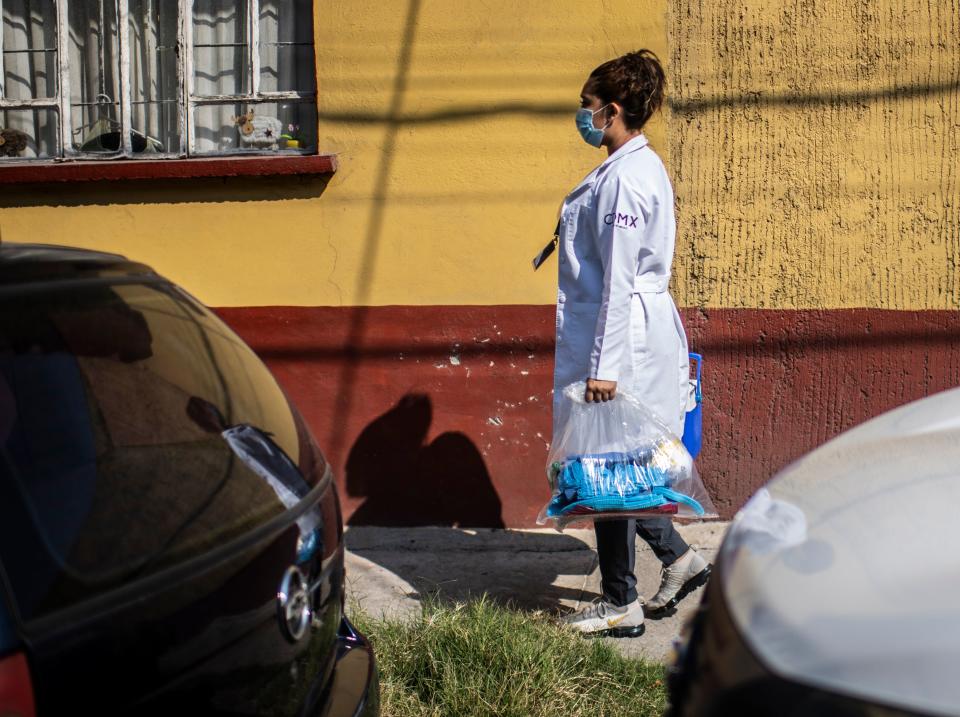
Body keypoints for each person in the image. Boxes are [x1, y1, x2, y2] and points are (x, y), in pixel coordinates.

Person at [554, 50, 711, 637]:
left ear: (612, 110)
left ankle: (621, 602)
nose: (583, 116)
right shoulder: (632, 168)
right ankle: (680, 561)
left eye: (588, 107)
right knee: (617, 469)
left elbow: (619, 280)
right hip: (627, 332)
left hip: (622, 341)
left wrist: (606, 367)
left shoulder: (624, 180)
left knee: (607, 469)